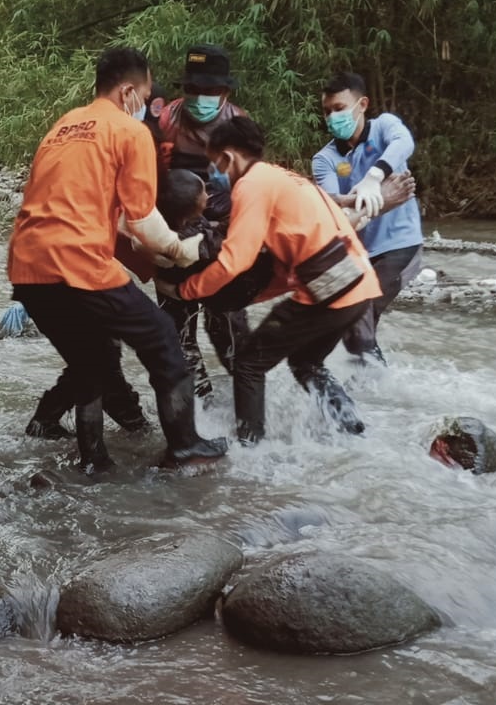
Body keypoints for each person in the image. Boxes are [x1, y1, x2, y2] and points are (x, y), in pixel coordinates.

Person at [8, 46, 225, 473]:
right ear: (129, 91)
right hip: (77, 263)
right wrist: (180, 251)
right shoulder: (129, 132)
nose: (147, 106)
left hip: (26, 266)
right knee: (164, 340)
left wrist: (146, 264)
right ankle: (184, 447)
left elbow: (81, 212)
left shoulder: (62, 126)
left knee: (92, 359)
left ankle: (94, 460)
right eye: (146, 96)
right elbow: (142, 219)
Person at [172, 116, 383, 445]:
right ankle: (350, 427)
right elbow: (285, 269)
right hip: (361, 284)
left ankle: (250, 450)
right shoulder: (285, 178)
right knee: (305, 361)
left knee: (248, 363)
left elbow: (234, 260)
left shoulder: (251, 185)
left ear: (228, 157)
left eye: (214, 165)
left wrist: (188, 290)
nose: (214, 176)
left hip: (330, 289)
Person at [22, 168, 215, 439]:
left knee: (96, 358)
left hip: (55, 269)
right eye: (204, 196)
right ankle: (105, 437)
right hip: (76, 275)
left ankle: (55, 422)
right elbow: (158, 270)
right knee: (100, 357)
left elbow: (158, 276)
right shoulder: (139, 224)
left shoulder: (140, 217)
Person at [154, 44, 250, 399]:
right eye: (192, 89)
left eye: (208, 91)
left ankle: (249, 403)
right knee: (176, 334)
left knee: (227, 327)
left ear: (224, 92)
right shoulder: (166, 119)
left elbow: (253, 189)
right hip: (172, 235)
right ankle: (201, 409)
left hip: (220, 238)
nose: (199, 98)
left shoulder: (239, 126)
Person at [310, 72, 423, 364]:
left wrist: (375, 175)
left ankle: (374, 387)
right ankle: (375, 388)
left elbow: (404, 143)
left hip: (401, 244)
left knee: (362, 311)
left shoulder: (384, 127)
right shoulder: (325, 159)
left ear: (362, 104)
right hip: (358, 253)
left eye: (340, 108)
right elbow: (334, 212)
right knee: (352, 324)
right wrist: (380, 200)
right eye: (327, 111)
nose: (333, 116)